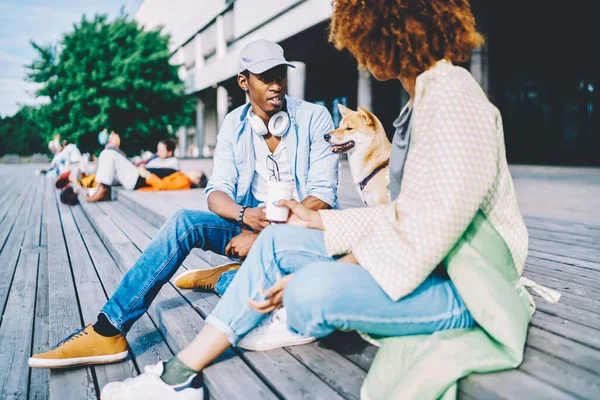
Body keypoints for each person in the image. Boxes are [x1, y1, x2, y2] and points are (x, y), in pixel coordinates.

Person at [66, 1, 534, 398]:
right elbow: (403, 215)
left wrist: (332, 259)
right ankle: (176, 376)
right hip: (429, 263)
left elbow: (428, 233)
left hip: (472, 290)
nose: (357, 50)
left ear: (384, 31)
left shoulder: (452, 97)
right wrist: (312, 226)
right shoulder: (423, 98)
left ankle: (266, 300)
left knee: (309, 293)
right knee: (274, 247)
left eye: (360, 38)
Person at [29, 39, 338, 377]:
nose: (277, 85)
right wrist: (244, 217)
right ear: (243, 81)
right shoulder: (234, 125)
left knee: (267, 290)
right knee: (183, 222)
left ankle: (228, 277)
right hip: (251, 224)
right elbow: (216, 192)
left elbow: (322, 194)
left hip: (301, 231)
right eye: (266, 77)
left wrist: (267, 238)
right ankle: (109, 330)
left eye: (281, 75)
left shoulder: (314, 118)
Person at [86, 138, 181, 202]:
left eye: (161, 150)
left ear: (170, 152)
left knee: (109, 153)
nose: (158, 152)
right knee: (107, 157)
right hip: (136, 176)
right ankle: (100, 188)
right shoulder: (158, 159)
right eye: (158, 149)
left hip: (138, 179)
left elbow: (163, 173)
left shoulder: (173, 162)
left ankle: (104, 190)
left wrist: (145, 170)